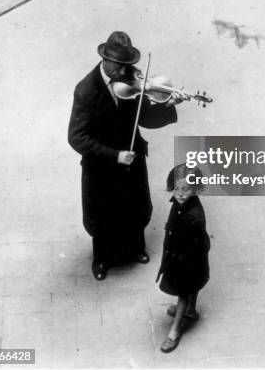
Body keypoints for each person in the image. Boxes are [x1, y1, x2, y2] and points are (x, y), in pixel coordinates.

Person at [68, 31, 183, 281]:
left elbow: (144, 118)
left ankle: (136, 249)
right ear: (106, 60)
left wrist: (166, 106)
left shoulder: (130, 80)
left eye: (128, 65)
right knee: (101, 213)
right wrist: (114, 155)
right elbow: (76, 138)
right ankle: (101, 259)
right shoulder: (86, 90)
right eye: (120, 66)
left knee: (135, 206)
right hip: (101, 163)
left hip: (133, 156)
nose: (126, 72)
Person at [156, 164, 210, 353]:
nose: (179, 193)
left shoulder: (195, 218)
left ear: (195, 190)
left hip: (188, 260)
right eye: (177, 188)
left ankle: (175, 330)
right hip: (185, 255)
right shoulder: (181, 203)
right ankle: (190, 311)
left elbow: (193, 251)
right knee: (189, 289)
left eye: (185, 189)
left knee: (184, 291)